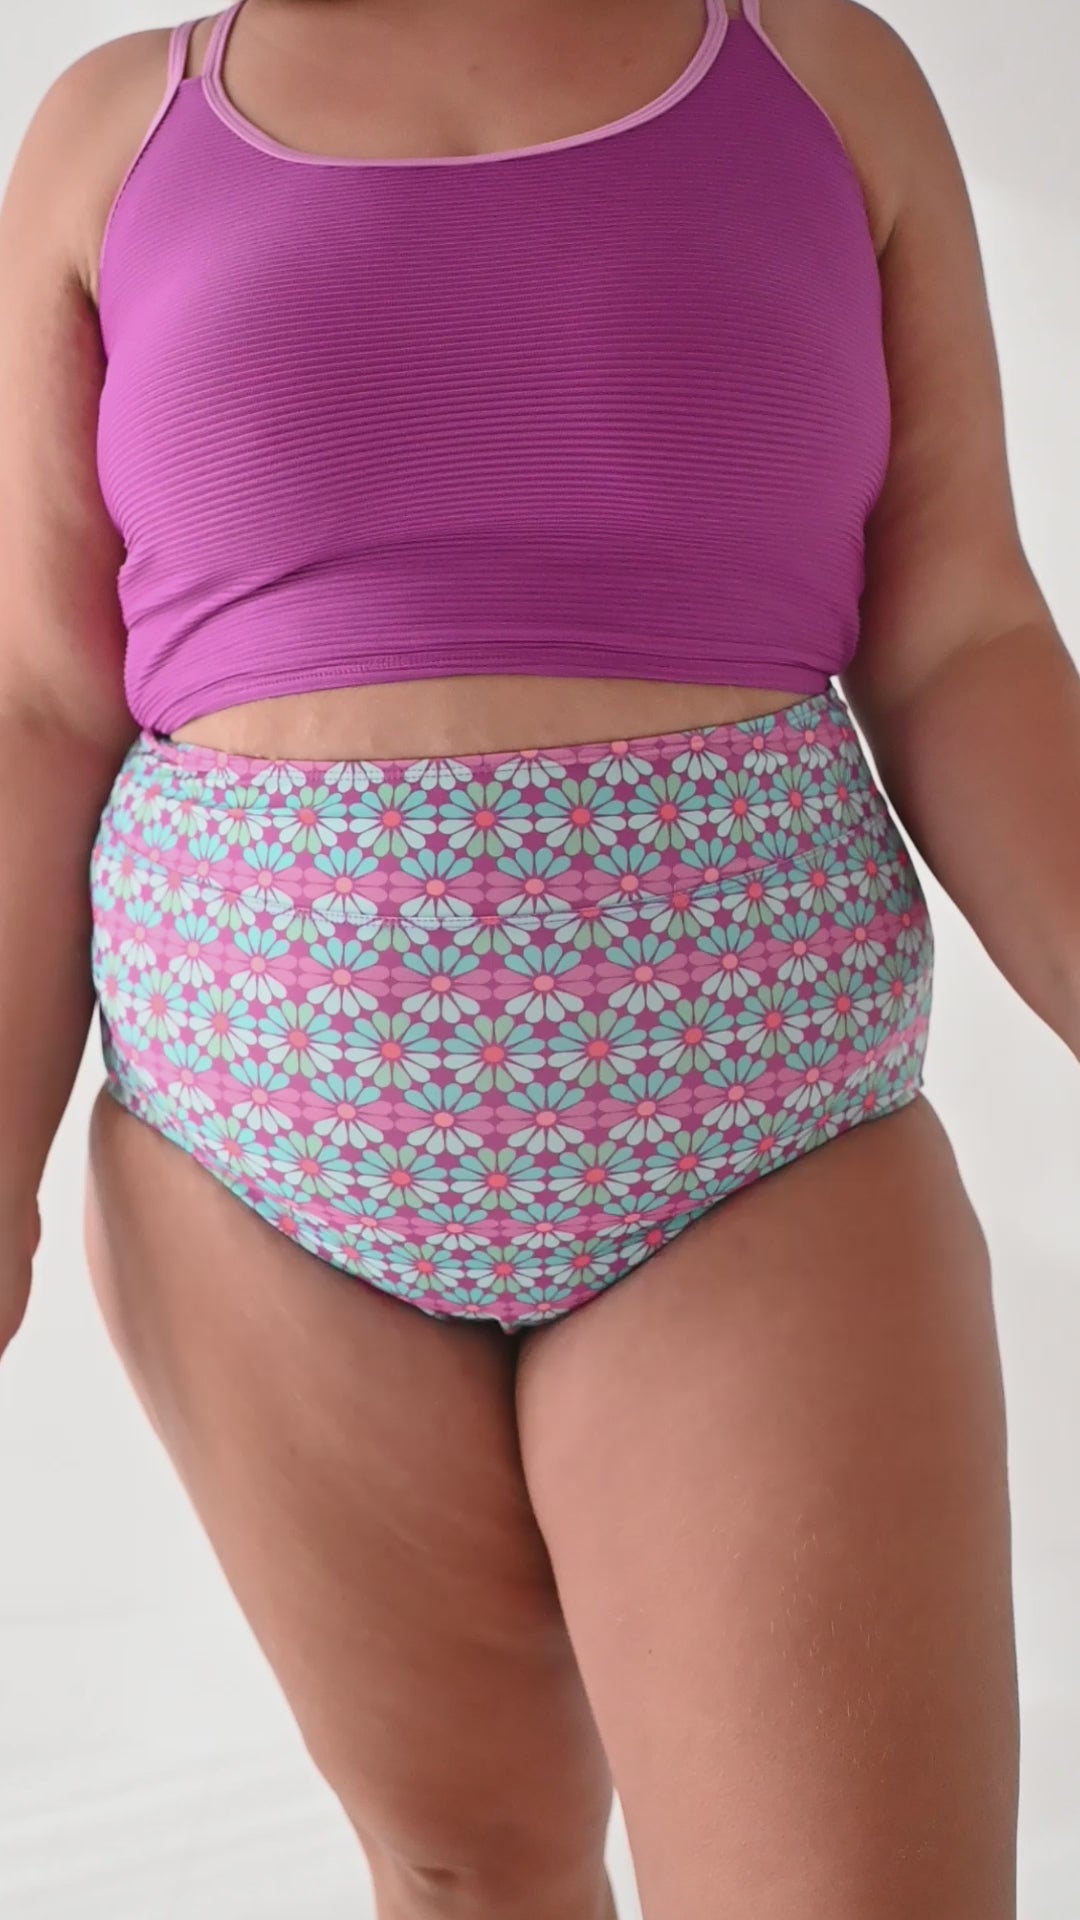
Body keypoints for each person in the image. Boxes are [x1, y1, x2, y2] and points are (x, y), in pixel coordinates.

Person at [1, 0, 1073, 1911]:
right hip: (253, 1183)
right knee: (472, 1875)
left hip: (757, 1145)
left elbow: (964, 634)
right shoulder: (110, 134)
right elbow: (34, 699)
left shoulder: (823, 82)